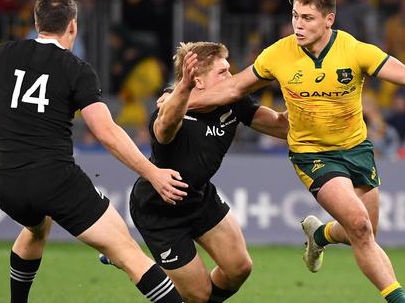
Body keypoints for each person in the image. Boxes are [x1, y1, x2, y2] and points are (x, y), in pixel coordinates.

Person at [183, 0, 405, 303]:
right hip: (312, 154)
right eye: (295, 16)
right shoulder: (278, 54)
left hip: (357, 149)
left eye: (307, 18)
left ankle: (319, 233)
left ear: (329, 19)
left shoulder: (356, 51)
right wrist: (177, 101)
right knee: (359, 225)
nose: (297, 26)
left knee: (364, 231)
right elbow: (232, 89)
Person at [0, 0, 185, 303]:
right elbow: (106, 132)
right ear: (72, 26)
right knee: (127, 252)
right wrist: (152, 172)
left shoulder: (5, 53)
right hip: (55, 182)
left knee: (36, 230)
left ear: (36, 23)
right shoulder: (76, 69)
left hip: (7, 184)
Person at [101, 41, 288, 303]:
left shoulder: (234, 103)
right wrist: (183, 90)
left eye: (229, 69)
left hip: (199, 198)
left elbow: (281, 127)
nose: (231, 78)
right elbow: (165, 126)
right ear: (197, 81)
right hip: (160, 209)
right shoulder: (169, 109)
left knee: (239, 268)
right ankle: (129, 258)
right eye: (222, 73)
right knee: (199, 295)